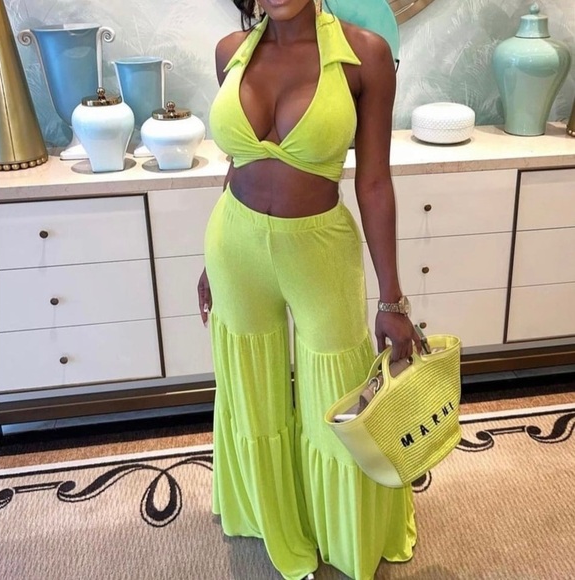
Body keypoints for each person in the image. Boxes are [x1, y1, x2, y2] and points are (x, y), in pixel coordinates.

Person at [198, 1, 421, 578]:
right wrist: (210, 265)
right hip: (234, 245)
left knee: (338, 400)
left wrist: (392, 299)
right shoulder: (230, 53)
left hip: (319, 250)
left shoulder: (365, 55)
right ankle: (270, 517)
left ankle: (344, 532)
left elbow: (374, 182)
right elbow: (238, 161)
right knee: (252, 393)